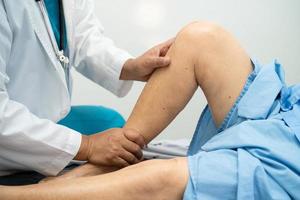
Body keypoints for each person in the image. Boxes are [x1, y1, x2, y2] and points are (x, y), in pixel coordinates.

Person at [1, 21, 299, 199]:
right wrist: (91, 148)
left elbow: (80, 35)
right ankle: (102, 166)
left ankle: (21, 196)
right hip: (288, 117)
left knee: (161, 177)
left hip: (290, 157)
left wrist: (126, 67)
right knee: (201, 37)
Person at [0, 0, 174, 183]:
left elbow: (83, 37)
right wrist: (88, 146)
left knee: (112, 123)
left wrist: (130, 67)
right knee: (122, 149)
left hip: (45, 115)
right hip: (8, 135)